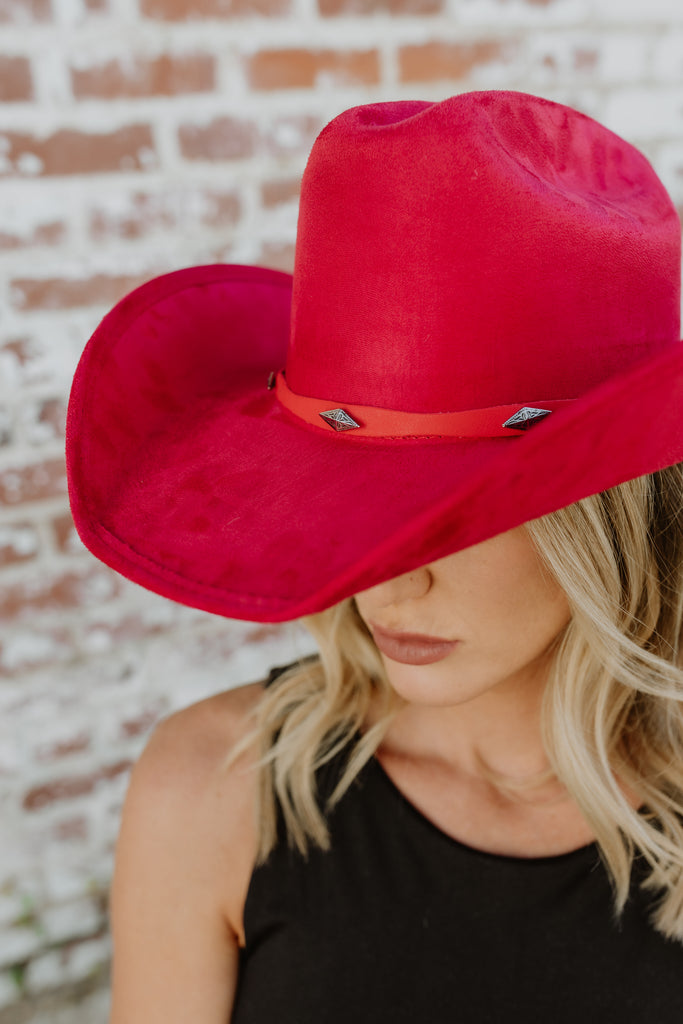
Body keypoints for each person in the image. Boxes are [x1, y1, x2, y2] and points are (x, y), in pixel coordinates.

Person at [65, 90, 683, 1022]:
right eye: (351, 501)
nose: (387, 577)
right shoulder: (214, 789)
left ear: (605, 510)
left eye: (455, 514)